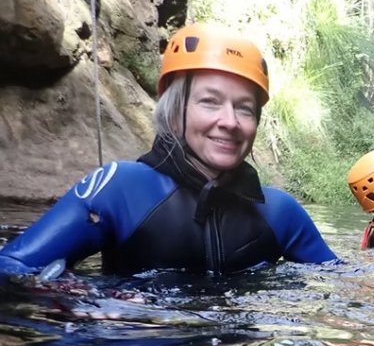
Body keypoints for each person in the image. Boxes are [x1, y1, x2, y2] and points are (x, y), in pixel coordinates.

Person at [0, 23, 338, 277]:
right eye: (210, 102)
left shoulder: (280, 212)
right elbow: (11, 266)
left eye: (245, 108)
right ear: (175, 113)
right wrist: (82, 300)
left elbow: (348, 284)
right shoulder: (121, 189)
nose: (230, 121)